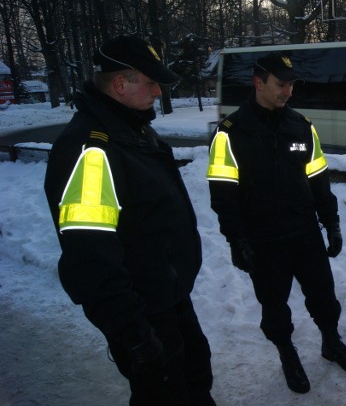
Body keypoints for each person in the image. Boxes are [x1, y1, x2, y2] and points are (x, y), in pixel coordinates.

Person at [43, 36, 216, 405]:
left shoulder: (134, 129)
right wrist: (133, 334)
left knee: (197, 374)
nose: (158, 90)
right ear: (120, 84)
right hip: (141, 314)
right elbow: (89, 258)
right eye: (150, 81)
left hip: (169, 297)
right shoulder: (92, 150)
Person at [206, 52, 346, 394]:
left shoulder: (302, 126)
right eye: (281, 84)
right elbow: (223, 195)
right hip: (262, 239)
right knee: (274, 306)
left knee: (324, 295)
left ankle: (330, 341)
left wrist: (331, 224)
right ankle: (287, 353)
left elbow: (319, 179)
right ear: (258, 83)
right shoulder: (230, 133)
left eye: (291, 84)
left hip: (304, 232)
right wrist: (237, 240)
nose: (287, 91)